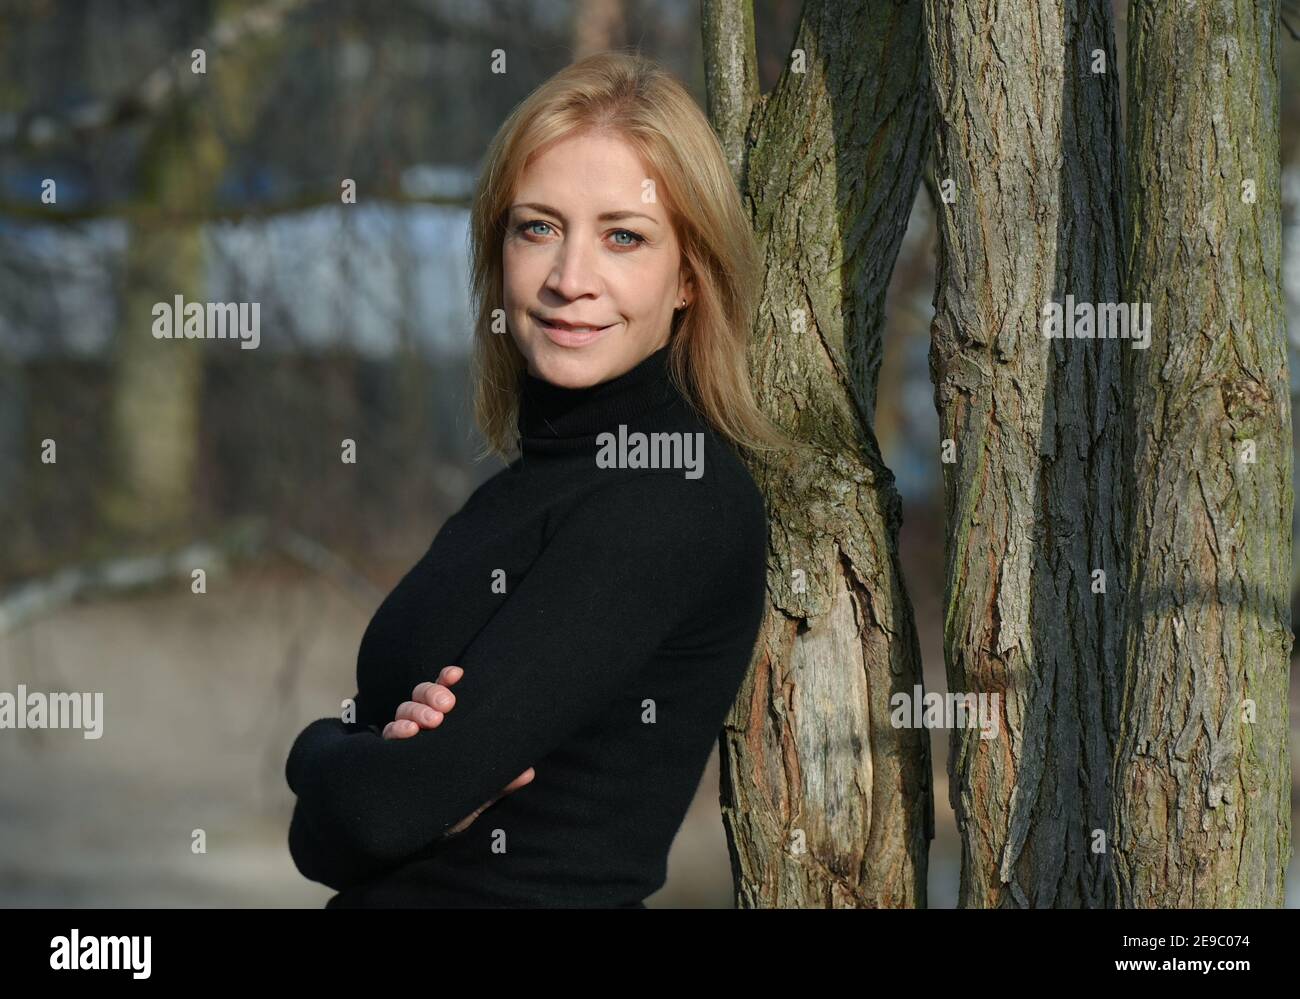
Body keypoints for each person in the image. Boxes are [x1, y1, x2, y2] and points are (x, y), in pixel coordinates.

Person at [284, 50, 791, 908]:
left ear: (690, 279)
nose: (569, 280)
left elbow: (376, 815)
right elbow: (342, 834)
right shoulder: (526, 488)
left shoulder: (674, 495)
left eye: (623, 237)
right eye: (538, 227)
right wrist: (360, 764)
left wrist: (320, 755)